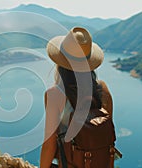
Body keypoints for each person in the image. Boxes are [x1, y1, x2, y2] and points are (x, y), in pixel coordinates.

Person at [40, 27, 113, 168]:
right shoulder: (102, 90)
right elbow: (107, 139)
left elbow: (49, 145)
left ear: (60, 63)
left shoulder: (54, 94)